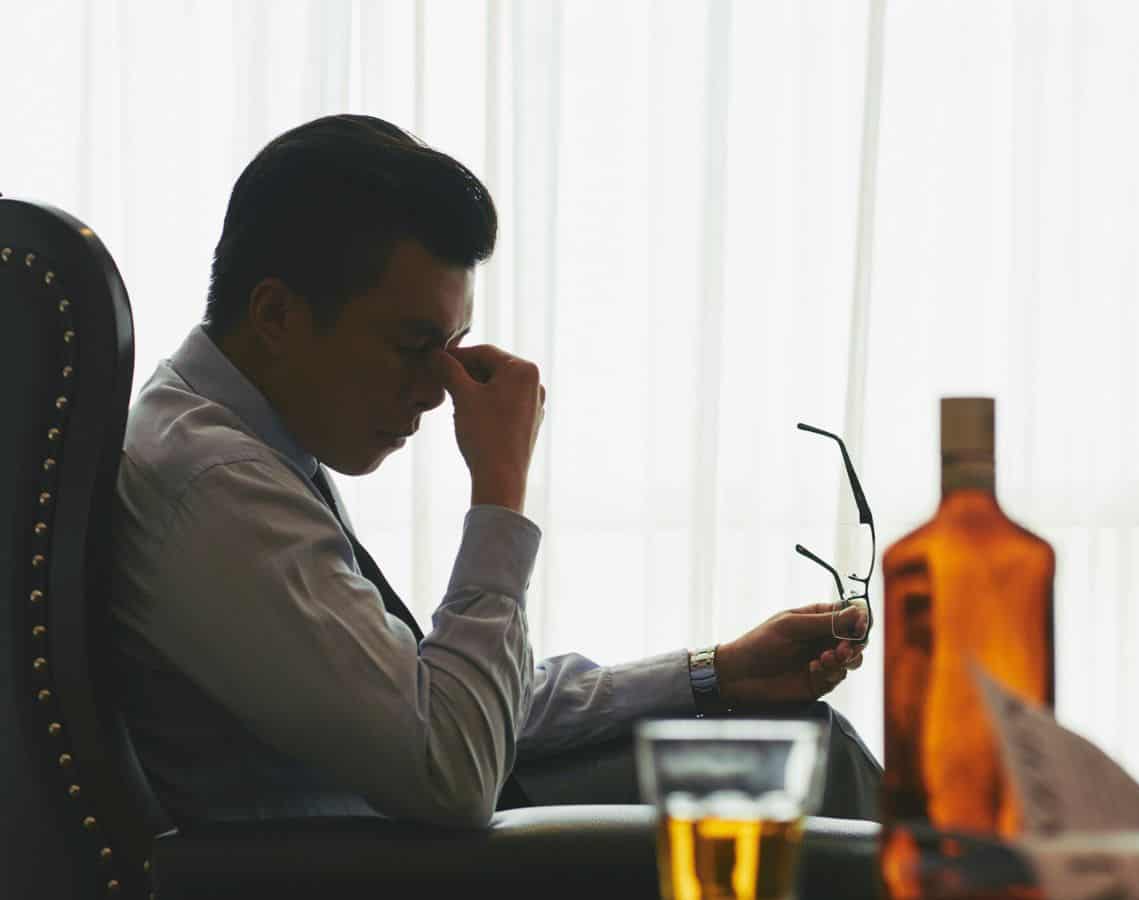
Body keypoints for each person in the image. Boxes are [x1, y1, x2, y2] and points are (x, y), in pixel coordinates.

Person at [109, 114, 878, 829]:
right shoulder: (214, 481)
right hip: (362, 870)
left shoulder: (240, 441)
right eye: (412, 347)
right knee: (817, 771)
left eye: (450, 348)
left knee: (804, 739)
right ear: (277, 315)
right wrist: (500, 495)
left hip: (387, 845)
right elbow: (453, 765)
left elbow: (451, 702)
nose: (434, 391)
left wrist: (712, 674)